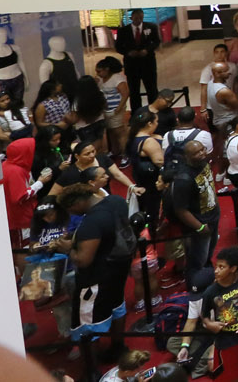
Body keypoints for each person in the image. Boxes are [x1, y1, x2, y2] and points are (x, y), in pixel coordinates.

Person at [62, 181, 134, 359]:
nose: (71, 214)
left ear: (77, 203)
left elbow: (83, 260)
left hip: (96, 278)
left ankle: (91, 369)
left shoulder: (92, 222)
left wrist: (67, 248)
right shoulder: (116, 201)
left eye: (70, 209)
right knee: (118, 306)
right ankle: (118, 348)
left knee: (87, 323)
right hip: (120, 266)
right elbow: (107, 235)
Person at [199, 246, 238, 382]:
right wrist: (210, 325)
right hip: (227, 341)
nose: (216, 271)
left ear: (233, 268)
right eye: (216, 266)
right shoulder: (210, 292)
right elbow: (204, 316)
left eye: (222, 267)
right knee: (228, 376)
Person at [171, 138, 220, 276]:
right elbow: (180, 210)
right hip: (199, 223)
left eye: (202, 149)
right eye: (196, 153)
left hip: (213, 215)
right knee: (198, 259)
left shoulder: (203, 164)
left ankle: (206, 271)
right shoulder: (184, 178)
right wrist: (200, 227)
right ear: (187, 157)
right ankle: (196, 283)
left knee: (209, 252)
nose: (202, 154)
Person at [112, 10, 161, 113]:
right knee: (134, 91)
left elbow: (156, 41)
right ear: (131, 18)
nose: (138, 20)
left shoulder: (151, 27)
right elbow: (118, 47)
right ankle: (136, 113)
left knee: (152, 89)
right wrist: (128, 52)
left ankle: (154, 112)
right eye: (136, 18)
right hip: (132, 65)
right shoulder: (123, 31)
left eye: (141, 18)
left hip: (148, 64)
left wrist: (147, 50)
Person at [128, 110, 166, 239]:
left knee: (146, 206)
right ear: (149, 123)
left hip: (140, 178)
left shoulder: (133, 137)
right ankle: (152, 234)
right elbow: (160, 161)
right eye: (156, 122)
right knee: (153, 208)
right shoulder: (148, 142)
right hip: (152, 181)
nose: (157, 124)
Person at [94, 57, 130, 158]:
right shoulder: (100, 79)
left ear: (107, 69)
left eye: (99, 71)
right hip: (106, 109)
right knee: (110, 131)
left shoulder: (117, 79)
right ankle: (115, 151)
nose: (97, 74)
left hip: (116, 109)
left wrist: (118, 109)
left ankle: (125, 154)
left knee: (119, 132)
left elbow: (125, 94)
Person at [204, 62, 238, 137]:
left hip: (219, 120)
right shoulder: (224, 91)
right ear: (217, 74)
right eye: (226, 71)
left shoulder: (210, 83)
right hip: (229, 122)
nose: (229, 73)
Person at [198, 44, 231, 109]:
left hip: (229, 103)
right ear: (214, 54)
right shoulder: (207, 70)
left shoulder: (233, 67)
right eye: (217, 52)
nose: (219, 55)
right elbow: (203, 89)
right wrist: (203, 108)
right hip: (213, 106)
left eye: (222, 52)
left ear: (226, 53)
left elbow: (235, 85)